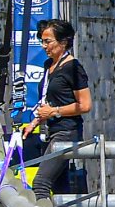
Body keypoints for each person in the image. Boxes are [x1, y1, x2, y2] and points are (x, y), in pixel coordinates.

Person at [29, 18, 91, 197]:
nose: (43, 46)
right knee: (59, 188)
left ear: (63, 42)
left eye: (48, 41)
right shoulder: (49, 65)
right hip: (49, 130)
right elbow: (51, 98)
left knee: (40, 183)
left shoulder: (73, 68)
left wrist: (54, 112)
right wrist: (37, 119)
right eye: (42, 41)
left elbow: (85, 105)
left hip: (66, 132)